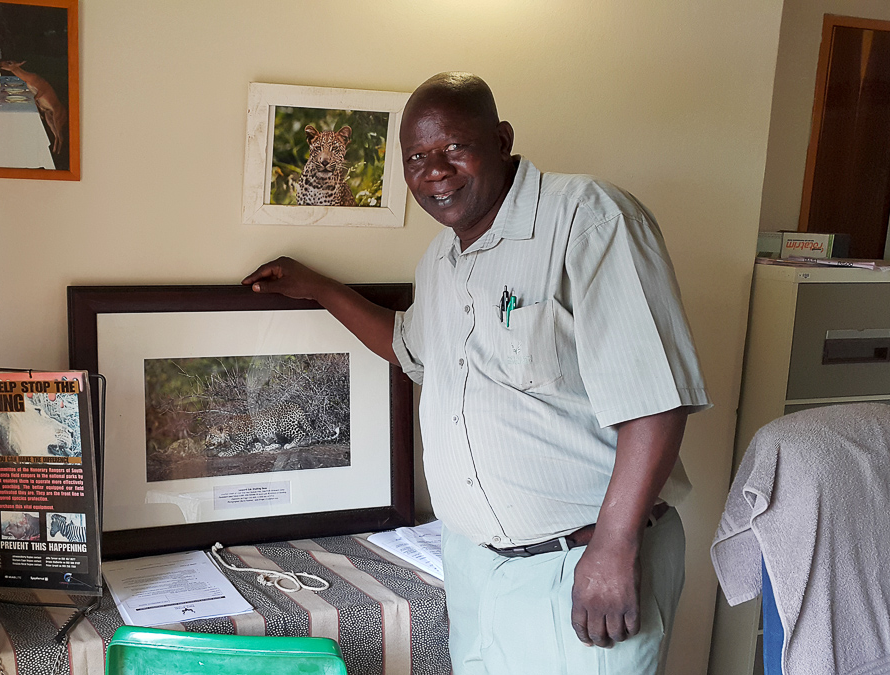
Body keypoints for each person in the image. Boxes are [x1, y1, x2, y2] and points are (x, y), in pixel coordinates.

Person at [243, 72, 710, 674]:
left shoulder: (589, 219)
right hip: (475, 567)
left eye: (454, 148)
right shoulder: (440, 261)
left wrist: (613, 548)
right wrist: (321, 289)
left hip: (580, 563)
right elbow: (408, 347)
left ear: (502, 139)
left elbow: (655, 400)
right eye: (417, 158)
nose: (434, 170)